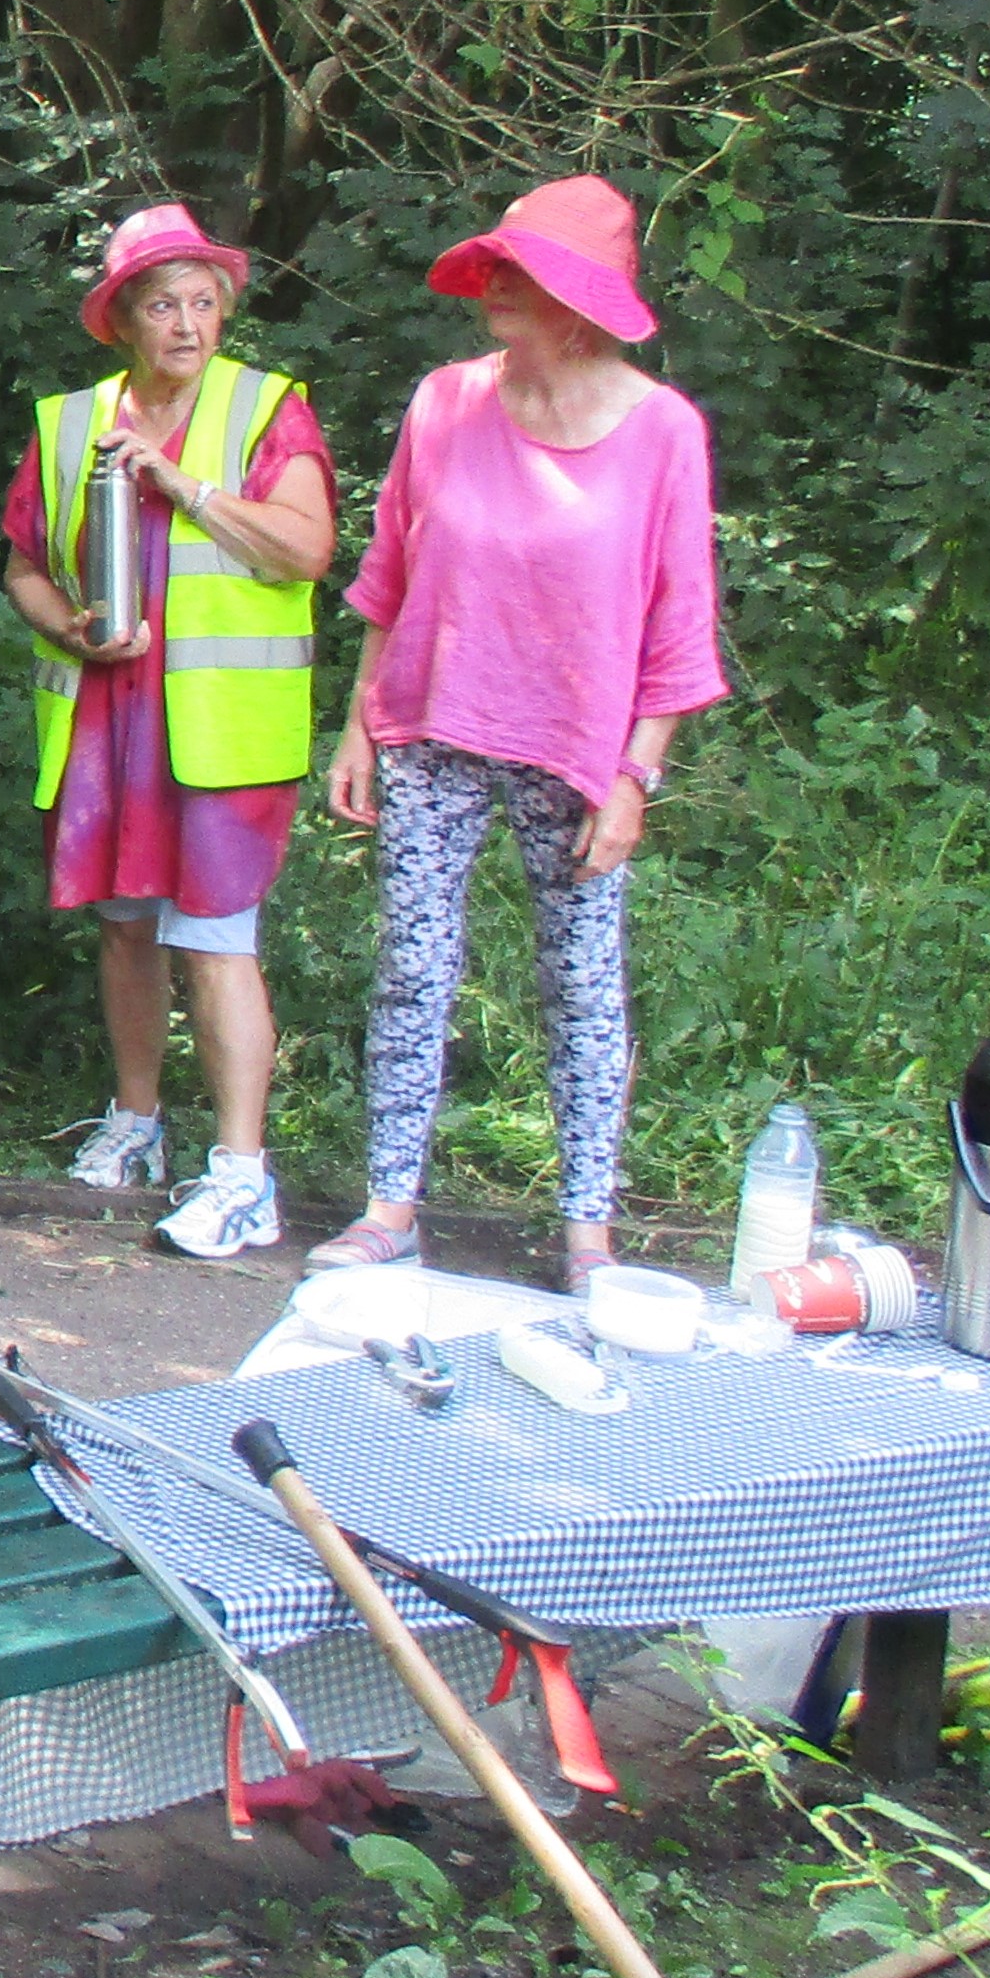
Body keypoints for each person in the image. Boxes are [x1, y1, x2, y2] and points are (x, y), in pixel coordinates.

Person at [320, 175, 725, 1278]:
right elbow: (388, 576)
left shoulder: (662, 433)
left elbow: (678, 628)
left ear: (580, 301)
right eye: (494, 261)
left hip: (582, 751)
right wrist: (361, 726)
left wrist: (637, 777)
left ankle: (586, 1233)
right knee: (412, 965)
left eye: (524, 268)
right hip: (431, 725)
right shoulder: (443, 402)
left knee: (581, 983)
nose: (494, 280)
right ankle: (388, 1212)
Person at [0, 206, 339, 1261]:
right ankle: (136, 1124)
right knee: (123, 927)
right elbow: (19, 563)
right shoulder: (68, 421)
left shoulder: (267, 410)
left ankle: (242, 1173)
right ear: (121, 319)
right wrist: (68, 627)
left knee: (216, 942)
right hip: (109, 722)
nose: (185, 325)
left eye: (201, 302)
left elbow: (306, 549)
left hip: (221, 727)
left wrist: (179, 481)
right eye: (161, 304)